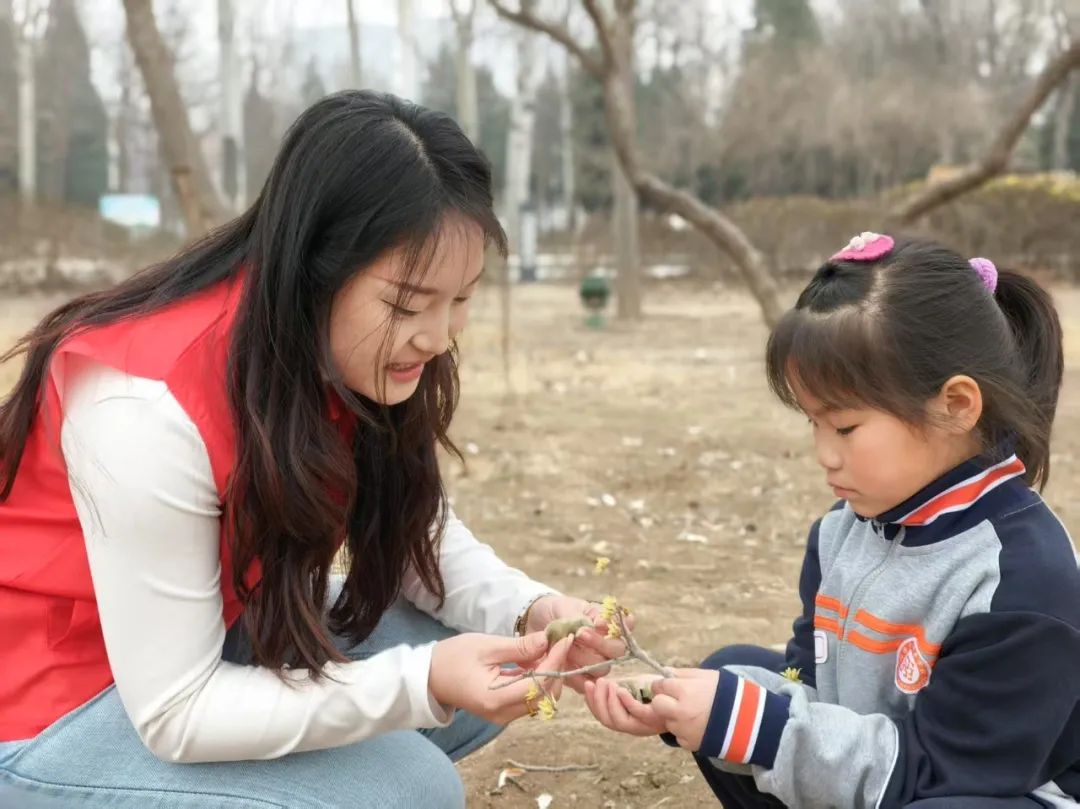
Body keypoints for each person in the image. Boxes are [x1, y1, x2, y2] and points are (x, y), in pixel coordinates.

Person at [0, 90, 623, 809]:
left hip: (205, 633)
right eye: (406, 304)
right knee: (411, 786)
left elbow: (412, 533)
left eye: (461, 299)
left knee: (483, 653)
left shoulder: (334, 349)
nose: (437, 336)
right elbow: (176, 709)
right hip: (48, 703)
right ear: (315, 268)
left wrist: (529, 609)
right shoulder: (143, 406)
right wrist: (419, 683)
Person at [583, 234, 1080, 808]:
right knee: (726, 680)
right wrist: (699, 707)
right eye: (813, 423)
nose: (824, 454)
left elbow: (944, 774)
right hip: (890, 770)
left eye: (844, 428)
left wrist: (755, 728)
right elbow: (809, 684)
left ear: (956, 406)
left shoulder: (1020, 580)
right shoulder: (843, 530)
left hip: (981, 790)